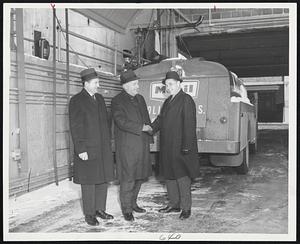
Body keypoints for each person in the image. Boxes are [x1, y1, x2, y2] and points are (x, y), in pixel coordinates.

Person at [151, 71, 200, 220]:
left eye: (171, 84)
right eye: (167, 85)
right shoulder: (168, 101)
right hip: (167, 146)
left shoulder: (186, 99)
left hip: (180, 146)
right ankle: (174, 204)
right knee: (169, 175)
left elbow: (190, 125)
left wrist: (186, 146)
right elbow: (160, 120)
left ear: (179, 84)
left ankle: (186, 208)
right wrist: (149, 128)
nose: (168, 87)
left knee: (182, 176)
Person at [69, 68, 114, 226]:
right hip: (87, 149)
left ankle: (99, 209)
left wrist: (109, 143)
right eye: (95, 83)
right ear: (86, 83)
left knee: (102, 179)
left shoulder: (100, 99)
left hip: (102, 148)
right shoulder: (76, 100)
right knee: (88, 181)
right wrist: (81, 150)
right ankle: (89, 214)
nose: (98, 86)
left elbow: (106, 123)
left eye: (98, 82)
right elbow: (75, 127)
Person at [111, 70, 153, 221]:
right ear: (126, 86)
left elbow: (146, 119)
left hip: (141, 145)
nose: (138, 86)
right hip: (127, 147)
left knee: (140, 176)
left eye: (137, 83)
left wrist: (150, 134)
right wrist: (141, 127)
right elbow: (121, 121)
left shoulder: (140, 98)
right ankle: (127, 209)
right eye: (135, 84)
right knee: (128, 178)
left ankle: (133, 203)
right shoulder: (117, 101)